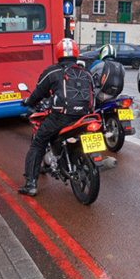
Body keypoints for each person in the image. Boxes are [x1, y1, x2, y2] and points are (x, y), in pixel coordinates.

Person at [18, 38, 94, 196]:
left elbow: (39, 93)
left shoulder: (52, 71)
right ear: (75, 53)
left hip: (61, 117)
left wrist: (28, 102)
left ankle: (31, 184)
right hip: (85, 116)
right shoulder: (86, 72)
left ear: (58, 53)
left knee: (38, 143)